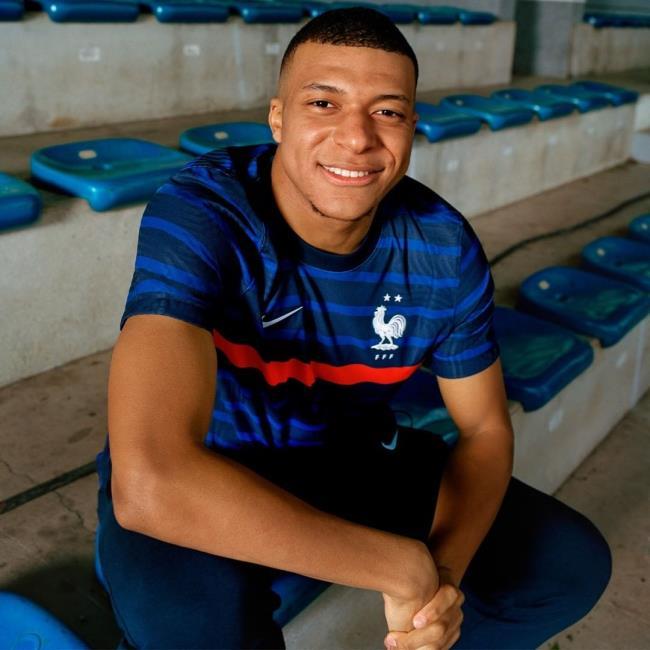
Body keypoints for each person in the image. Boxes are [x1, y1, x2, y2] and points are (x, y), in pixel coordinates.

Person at [95, 8, 612, 649]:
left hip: (346, 457)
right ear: (278, 117)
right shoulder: (206, 211)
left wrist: (440, 584)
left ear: (412, 128)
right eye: (324, 103)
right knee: (193, 631)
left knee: (568, 566)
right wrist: (400, 567)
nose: (357, 137)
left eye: (387, 111)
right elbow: (151, 481)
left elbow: (484, 429)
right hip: (212, 464)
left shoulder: (442, 247)